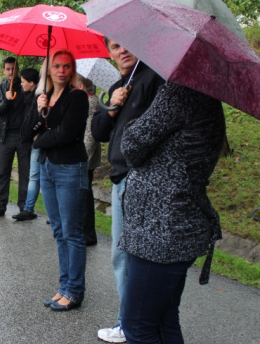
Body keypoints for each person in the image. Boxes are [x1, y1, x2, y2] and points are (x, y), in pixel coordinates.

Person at [119, 82, 225, 342]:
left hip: (161, 231)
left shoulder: (179, 92)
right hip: (177, 223)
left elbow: (131, 147)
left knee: (138, 326)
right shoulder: (207, 95)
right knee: (164, 319)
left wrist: (132, 116)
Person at [92, 37, 164, 343]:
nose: (122, 50)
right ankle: (135, 322)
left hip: (139, 179)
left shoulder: (153, 80)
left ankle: (131, 324)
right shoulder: (118, 86)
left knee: (127, 256)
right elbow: (98, 132)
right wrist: (112, 107)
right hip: (121, 179)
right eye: (115, 47)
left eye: (128, 43)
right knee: (124, 256)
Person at [29, 49, 89, 311]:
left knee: (73, 233)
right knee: (58, 231)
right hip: (47, 167)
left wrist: (38, 140)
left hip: (69, 167)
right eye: (56, 66)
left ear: (72, 70)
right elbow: (25, 131)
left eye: (66, 66)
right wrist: (39, 111)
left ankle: (74, 291)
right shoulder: (44, 98)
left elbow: (66, 133)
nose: (62, 70)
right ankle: (63, 286)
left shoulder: (78, 97)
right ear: (49, 70)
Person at [0, 56, 31, 219]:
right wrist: (6, 100)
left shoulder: (24, 87)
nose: (11, 72)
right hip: (6, 136)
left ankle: (25, 207)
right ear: (3, 70)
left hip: (23, 136)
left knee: (25, 173)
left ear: (17, 69)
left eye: (13, 68)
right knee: (2, 172)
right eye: (7, 69)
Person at [13, 67, 41, 221]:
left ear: (32, 83)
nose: (22, 85)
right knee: (34, 176)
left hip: (40, 141)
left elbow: (37, 119)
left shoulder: (39, 97)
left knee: (40, 177)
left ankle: (51, 214)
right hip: (33, 140)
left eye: (24, 82)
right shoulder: (28, 97)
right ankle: (28, 208)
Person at [80, 76, 101, 246]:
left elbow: (89, 134)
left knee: (85, 197)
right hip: (82, 156)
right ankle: (84, 232)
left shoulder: (91, 102)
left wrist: (83, 157)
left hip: (85, 158)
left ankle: (88, 235)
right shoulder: (85, 101)